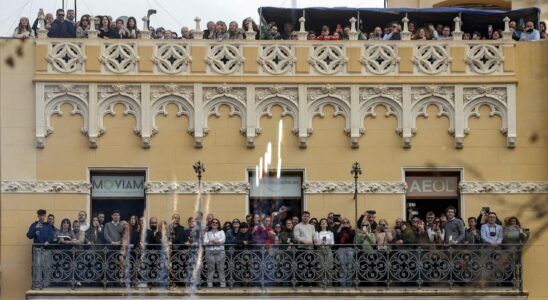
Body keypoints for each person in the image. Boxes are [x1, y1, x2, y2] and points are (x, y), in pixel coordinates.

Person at [204, 218, 226, 288]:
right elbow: (204, 241)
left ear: (218, 224)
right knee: (211, 269)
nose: (215, 223)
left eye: (216, 222)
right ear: (211, 224)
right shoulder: (207, 233)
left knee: (221, 268)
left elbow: (223, 240)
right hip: (210, 252)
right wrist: (210, 242)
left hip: (220, 252)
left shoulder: (221, 232)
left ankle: (223, 284)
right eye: (213, 222)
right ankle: (209, 284)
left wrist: (217, 242)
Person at [335, 218, 355, 287]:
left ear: (349, 223)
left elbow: (351, 237)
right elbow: (338, 237)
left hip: (349, 249)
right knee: (342, 267)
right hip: (341, 249)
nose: (345, 223)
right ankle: (343, 285)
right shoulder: (340, 230)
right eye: (344, 222)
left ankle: (349, 285)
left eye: (347, 222)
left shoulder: (352, 230)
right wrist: (341, 227)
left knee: (349, 267)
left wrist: (348, 227)